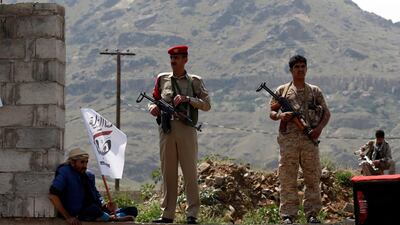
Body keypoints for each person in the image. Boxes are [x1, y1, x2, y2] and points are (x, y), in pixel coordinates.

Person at [148, 45, 211, 224]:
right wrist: (152, 108)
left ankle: (192, 214)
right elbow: (155, 99)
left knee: (190, 172)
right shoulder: (162, 79)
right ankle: (167, 214)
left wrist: (187, 99)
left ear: (185, 60)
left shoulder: (195, 81)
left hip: (186, 129)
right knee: (168, 172)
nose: (173, 62)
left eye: (177, 58)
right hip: (166, 129)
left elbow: (206, 105)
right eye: (172, 59)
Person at [268, 55, 331, 224]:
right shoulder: (282, 91)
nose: (300, 69)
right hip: (288, 141)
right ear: (291, 70)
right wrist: (282, 115)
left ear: (306, 69)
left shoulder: (314, 91)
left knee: (312, 177)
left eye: (303, 66)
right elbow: (272, 112)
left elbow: (326, 113)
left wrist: (318, 129)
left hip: (309, 141)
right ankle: (288, 215)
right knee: (288, 178)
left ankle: (312, 214)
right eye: (297, 67)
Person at [48, 148, 138, 225]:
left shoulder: (89, 175)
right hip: (79, 212)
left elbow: (96, 194)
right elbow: (53, 195)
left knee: (132, 210)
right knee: (93, 209)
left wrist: (105, 205)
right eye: (82, 162)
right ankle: (112, 218)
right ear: (72, 162)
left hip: (97, 210)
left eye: (86, 162)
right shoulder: (65, 172)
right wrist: (68, 217)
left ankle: (107, 217)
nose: (85, 166)